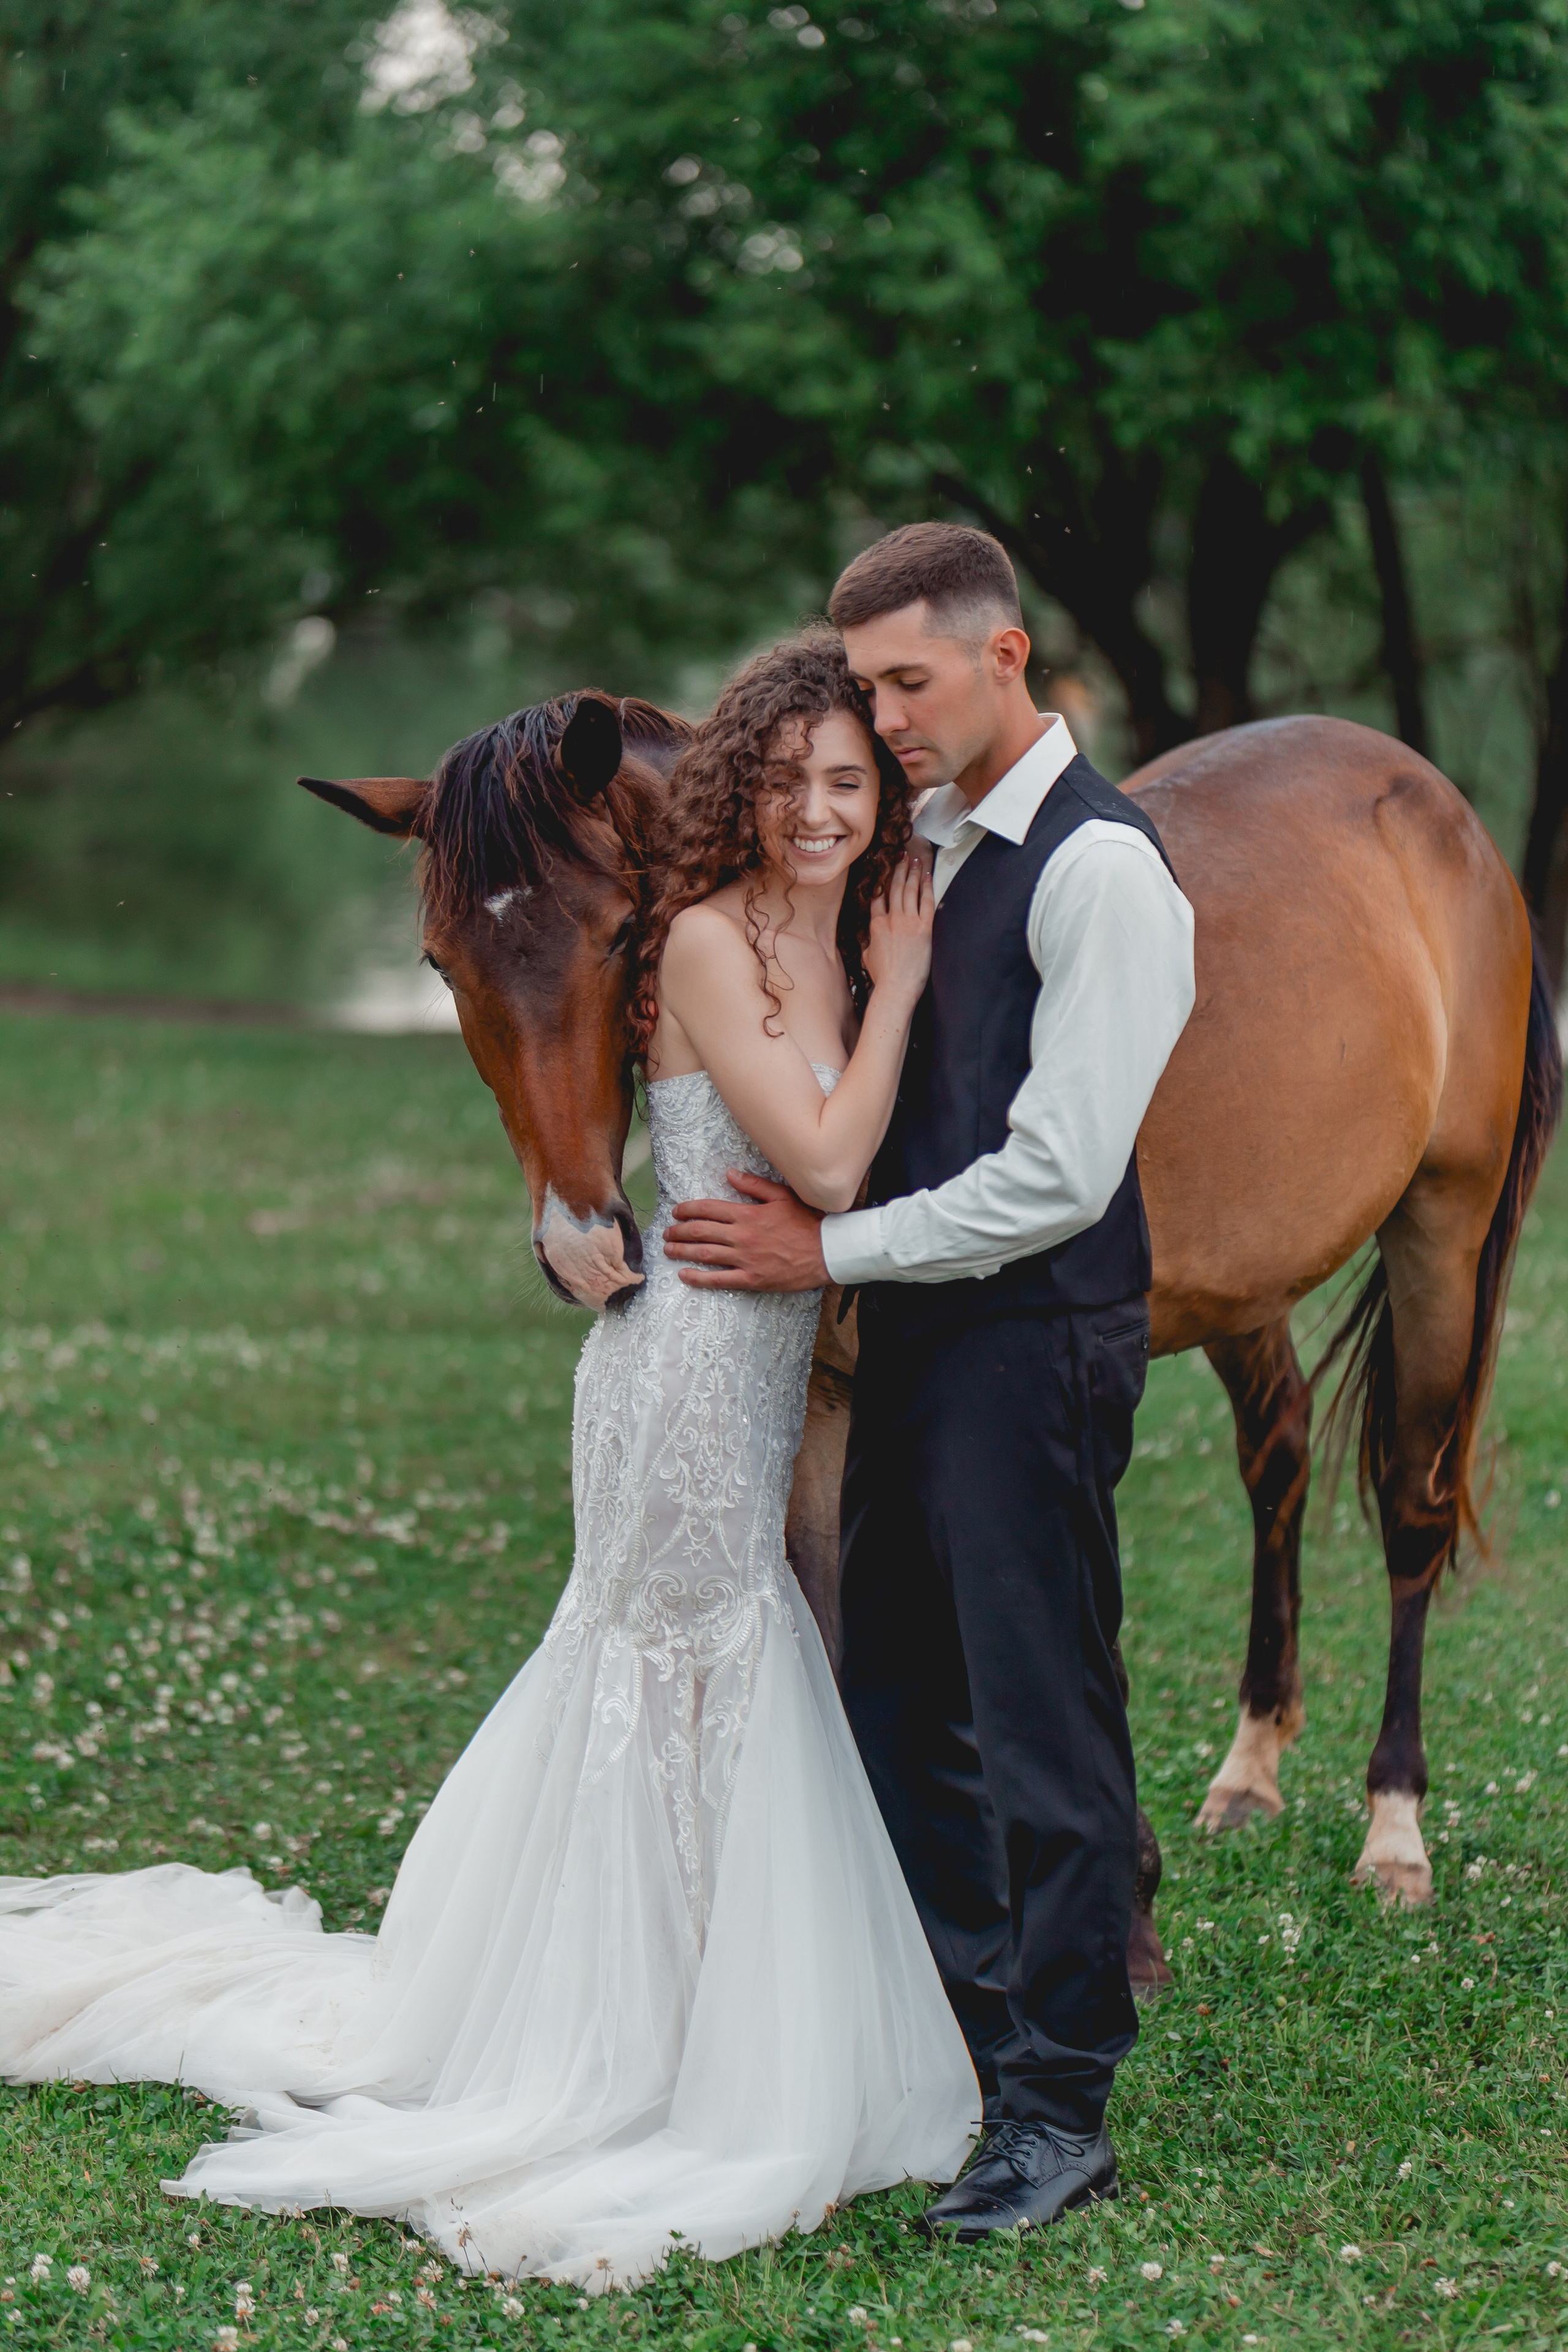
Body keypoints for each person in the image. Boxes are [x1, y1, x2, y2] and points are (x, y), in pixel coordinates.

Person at [0, 637, 978, 2289]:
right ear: (743, 788)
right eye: (794, 781)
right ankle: (633, 2031)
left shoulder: (795, 930)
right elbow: (823, 1155)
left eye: (849, 784)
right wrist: (911, 969)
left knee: (682, 1671)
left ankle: (666, 1994)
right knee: (687, 1661)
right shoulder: (719, 946)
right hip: (688, 1366)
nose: (819, 809)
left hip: (709, 1355)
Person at [664, 524, 1197, 2239]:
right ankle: (983, 2027)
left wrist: (833, 1259)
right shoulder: (942, 849)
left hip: (1035, 1341)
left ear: (1008, 657)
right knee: (900, 1697)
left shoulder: (1104, 872)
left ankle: (1061, 2108)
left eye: (908, 681)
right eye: (870, 683)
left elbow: (1057, 1173)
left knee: (1044, 1723)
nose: (885, 716)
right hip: (928, 1344)